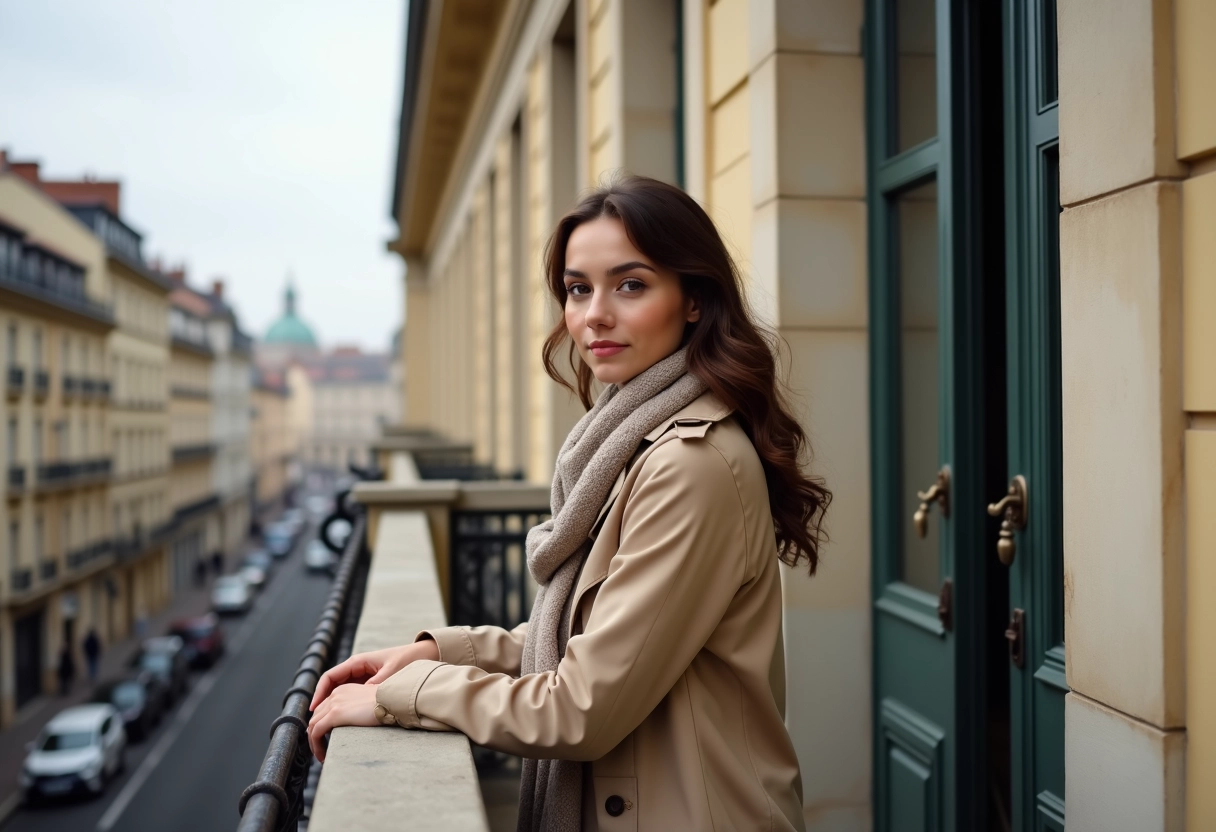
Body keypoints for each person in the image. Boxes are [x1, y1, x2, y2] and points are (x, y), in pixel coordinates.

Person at [307, 175, 831, 831]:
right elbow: (600, 635)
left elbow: (578, 708)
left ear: (694, 300)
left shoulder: (688, 464)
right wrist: (441, 652)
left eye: (630, 285)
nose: (593, 315)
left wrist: (402, 696)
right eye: (579, 288)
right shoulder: (629, 436)